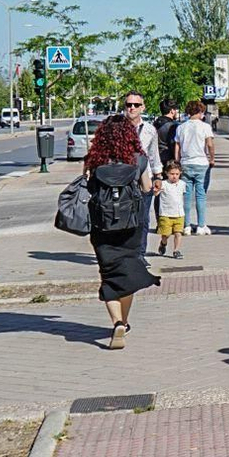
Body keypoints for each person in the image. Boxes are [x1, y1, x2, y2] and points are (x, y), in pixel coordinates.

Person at [85, 115, 160, 350]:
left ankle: (116, 321)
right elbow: (147, 188)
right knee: (127, 273)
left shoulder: (94, 160)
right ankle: (123, 322)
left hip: (102, 226)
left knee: (108, 273)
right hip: (131, 224)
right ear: (129, 135)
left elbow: (87, 186)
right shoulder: (138, 159)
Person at [122, 92, 164, 256]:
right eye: (128, 104)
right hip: (121, 181)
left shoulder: (149, 130)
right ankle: (125, 254)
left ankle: (139, 254)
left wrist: (158, 176)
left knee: (142, 219)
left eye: (136, 105)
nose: (132, 108)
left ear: (142, 107)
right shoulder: (117, 128)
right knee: (122, 219)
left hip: (143, 180)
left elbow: (154, 156)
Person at [174, 99, 215, 235]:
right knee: (200, 195)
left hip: (185, 163)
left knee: (186, 196)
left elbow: (177, 146)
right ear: (200, 112)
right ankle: (201, 225)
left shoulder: (181, 127)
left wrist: (177, 161)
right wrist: (212, 158)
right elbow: (209, 144)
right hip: (201, 163)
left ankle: (186, 225)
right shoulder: (205, 127)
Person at [155, 163, 187, 259]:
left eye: (177, 174)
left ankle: (176, 250)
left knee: (178, 233)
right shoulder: (164, 184)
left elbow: (182, 196)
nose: (174, 176)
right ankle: (163, 243)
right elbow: (156, 194)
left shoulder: (182, 184)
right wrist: (156, 189)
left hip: (179, 214)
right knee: (166, 234)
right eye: (172, 174)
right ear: (167, 173)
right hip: (166, 214)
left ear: (180, 173)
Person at [153, 100, 181, 172]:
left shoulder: (154, 123)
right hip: (169, 161)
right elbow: (173, 144)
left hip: (155, 159)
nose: (177, 112)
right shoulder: (173, 126)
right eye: (176, 109)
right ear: (172, 111)